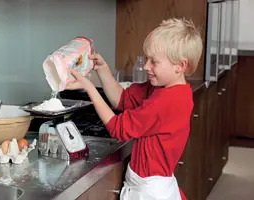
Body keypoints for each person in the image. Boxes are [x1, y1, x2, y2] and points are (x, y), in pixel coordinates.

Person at [66, 18, 203, 200]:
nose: (146, 66)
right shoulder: (164, 88)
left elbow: (118, 128)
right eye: (147, 59)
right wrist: (103, 70)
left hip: (149, 192)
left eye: (154, 61)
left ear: (180, 65)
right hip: (148, 184)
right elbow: (122, 100)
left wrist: (90, 87)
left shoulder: (166, 102)